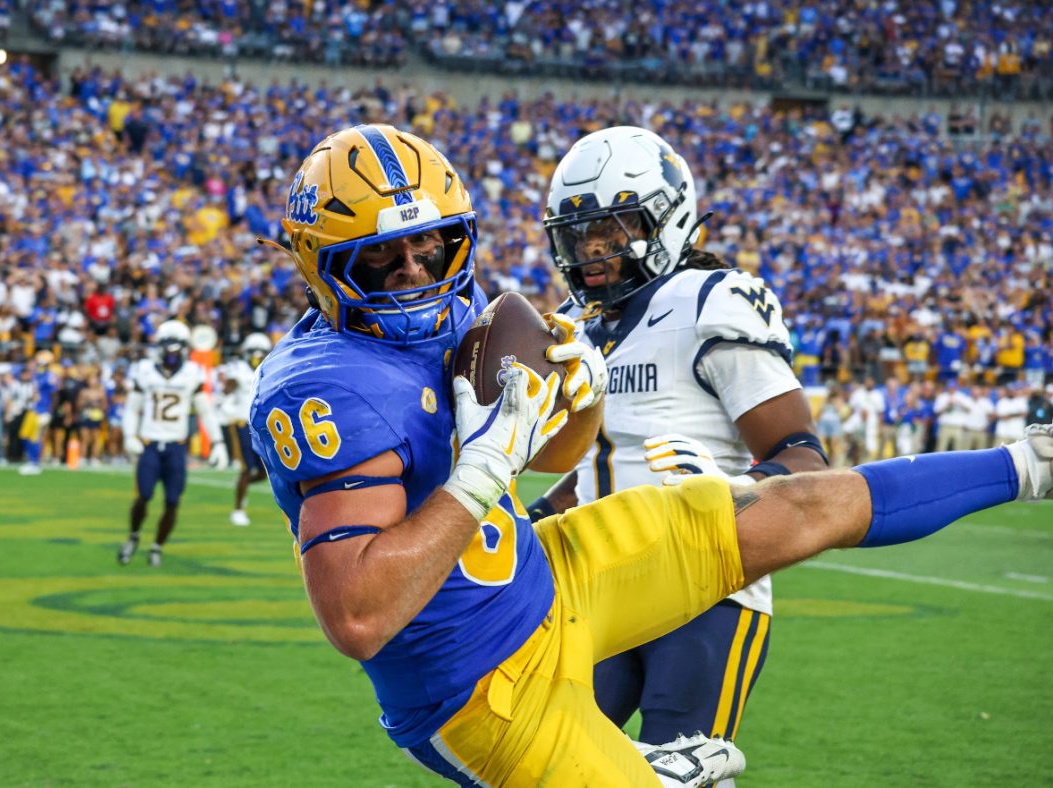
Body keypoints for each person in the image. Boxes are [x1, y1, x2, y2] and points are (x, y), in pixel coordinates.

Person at [249, 124, 1053, 786]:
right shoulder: (324, 392)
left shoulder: (462, 305)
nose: (417, 273)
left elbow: (559, 450)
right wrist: (485, 465)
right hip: (480, 687)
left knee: (813, 505)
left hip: (552, 569)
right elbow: (357, 616)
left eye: (433, 247)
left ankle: (1031, 463)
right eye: (382, 260)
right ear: (319, 264)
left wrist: (580, 391)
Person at [532, 126, 829, 759]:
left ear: (665, 221)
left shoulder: (707, 303)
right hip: (601, 591)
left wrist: (730, 491)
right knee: (550, 765)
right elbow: (603, 462)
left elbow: (802, 456)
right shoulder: (583, 331)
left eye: (611, 232)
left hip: (706, 588)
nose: (592, 252)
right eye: (578, 235)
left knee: (680, 772)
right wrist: (529, 519)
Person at [117, 319, 228, 568]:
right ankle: (133, 535)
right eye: (170, 347)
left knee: (172, 501)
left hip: (176, 446)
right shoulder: (144, 370)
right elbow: (132, 409)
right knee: (143, 496)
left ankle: (157, 546)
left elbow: (206, 411)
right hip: (150, 443)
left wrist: (218, 442)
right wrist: (129, 436)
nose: (173, 353)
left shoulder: (192, 373)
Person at [219, 332, 271, 526]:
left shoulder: (270, 369)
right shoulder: (238, 369)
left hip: (260, 426)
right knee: (246, 468)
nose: (257, 356)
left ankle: (241, 486)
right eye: (254, 352)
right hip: (240, 422)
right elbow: (226, 390)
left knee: (264, 471)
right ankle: (238, 510)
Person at [19, 350, 59, 476]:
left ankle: (35, 464)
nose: (39, 366)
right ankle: (31, 461)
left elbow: (55, 395)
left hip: (42, 410)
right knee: (24, 435)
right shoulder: (36, 374)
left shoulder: (50, 376)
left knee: (35, 438)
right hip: (33, 409)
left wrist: (49, 411)